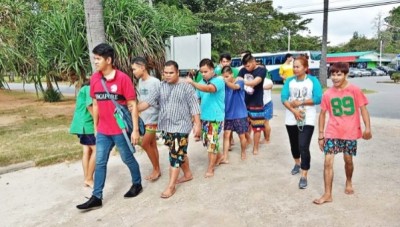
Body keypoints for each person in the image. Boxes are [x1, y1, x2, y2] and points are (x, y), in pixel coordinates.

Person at [76, 43, 142, 211]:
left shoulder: (123, 79)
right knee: (100, 162)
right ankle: (96, 196)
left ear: (109, 60)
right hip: (104, 130)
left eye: (98, 59)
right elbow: (96, 104)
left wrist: (134, 130)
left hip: (120, 130)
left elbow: (132, 105)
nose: (95, 62)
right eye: (94, 59)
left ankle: (137, 183)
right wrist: (97, 128)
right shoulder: (95, 78)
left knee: (127, 158)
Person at [139, 60, 201, 198]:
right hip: (166, 126)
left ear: (177, 72)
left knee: (174, 155)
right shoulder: (161, 86)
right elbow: (148, 102)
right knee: (178, 152)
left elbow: (194, 106)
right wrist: (133, 108)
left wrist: (197, 124)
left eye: (171, 73)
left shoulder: (186, 87)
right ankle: (188, 174)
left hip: (181, 126)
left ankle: (171, 186)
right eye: (165, 73)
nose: (168, 75)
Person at [313, 62, 372, 205]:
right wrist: (321, 135)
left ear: (346, 75)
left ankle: (349, 181)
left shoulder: (355, 90)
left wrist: (368, 128)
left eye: (339, 74)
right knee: (327, 162)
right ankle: (327, 194)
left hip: (350, 132)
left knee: (348, 160)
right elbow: (322, 114)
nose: (335, 77)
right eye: (333, 74)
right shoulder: (328, 93)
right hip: (332, 131)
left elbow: (363, 110)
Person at [281, 56, 322, 189]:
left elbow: (318, 98)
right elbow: (283, 97)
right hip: (291, 117)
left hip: (307, 117)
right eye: (294, 66)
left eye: (298, 66)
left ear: (305, 68)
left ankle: (304, 174)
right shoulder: (289, 81)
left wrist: (301, 102)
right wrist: (294, 111)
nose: (295, 69)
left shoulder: (312, 81)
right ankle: (297, 163)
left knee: (303, 145)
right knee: (294, 144)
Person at [186, 58, 225, 178]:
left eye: (206, 71)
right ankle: (220, 157)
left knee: (212, 143)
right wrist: (194, 120)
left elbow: (209, 89)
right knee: (208, 142)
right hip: (204, 118)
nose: (203, 74)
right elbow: (197, 100)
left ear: (212, 70)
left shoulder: (219, 80)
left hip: (215, 118)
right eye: (201, 72)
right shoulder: (201, 83)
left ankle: (211, 168)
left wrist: (192, 83)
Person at [131, 57, 161, 181]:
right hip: (145, 118)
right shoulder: (140, 82)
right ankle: (157, 168)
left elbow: (156, 101)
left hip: (154, 118)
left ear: (142, 67)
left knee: (144, 143)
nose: (133, 72)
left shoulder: (155, 82)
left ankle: (156, 169)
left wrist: (133, 109)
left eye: (134, 69)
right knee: (152, 144)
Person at [69, 78, 96, 188]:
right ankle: (89, 178)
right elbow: (89, 106)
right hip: (86, 125)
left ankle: (87, 178)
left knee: (87, 151)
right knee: (97, 149)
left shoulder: (83, 89)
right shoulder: (89, 89)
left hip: (80, 124)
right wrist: (98, 121)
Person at [238, 53, 266, 155]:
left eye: (248, 66)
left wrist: (242, 81)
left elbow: (254, 82)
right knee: (242, 126)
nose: (247, 68)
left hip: (257, 103)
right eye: (245, 66)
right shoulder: (242, 70)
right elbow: (237, 81)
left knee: (257, 127)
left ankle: (256, 147)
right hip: (243, 103)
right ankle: (249, 140)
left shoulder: (261, 70)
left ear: (254, 61)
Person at [220, 66, 248, 161]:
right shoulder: (223, 85)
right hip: (228, 114)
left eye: (227, 76)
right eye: (224, 76)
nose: (226, 78)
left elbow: (235, 87)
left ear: (232, 74)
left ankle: (243, 152)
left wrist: (225, 81)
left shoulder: (239, 81)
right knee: (226, 135)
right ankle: (225, 157)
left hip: (240, 114)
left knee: (241, 136)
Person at [261, 76, 273, 144]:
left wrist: (260, 87)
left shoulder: (268, 80)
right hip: (259, 104)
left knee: (266, 123)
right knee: (262, 123)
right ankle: (265, 137)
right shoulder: (254, 79)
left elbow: (270, 86)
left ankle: (267, 139)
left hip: (267, 103)